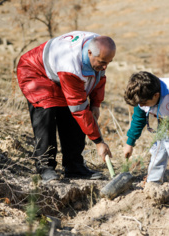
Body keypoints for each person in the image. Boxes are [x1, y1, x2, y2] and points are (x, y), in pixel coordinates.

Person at [17, 31, 116, 182]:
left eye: (109, 63)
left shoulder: (100, 46)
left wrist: (96, 104)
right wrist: (98, 142)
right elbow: (79, 108)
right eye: (103, 62)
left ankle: (74, 166)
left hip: (57, 74)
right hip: (35, 71)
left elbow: (98, 79)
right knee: (48, 111)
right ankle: (45, 167)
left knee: (71, 115)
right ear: (89, 53)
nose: (105, 67)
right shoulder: (71, 64)